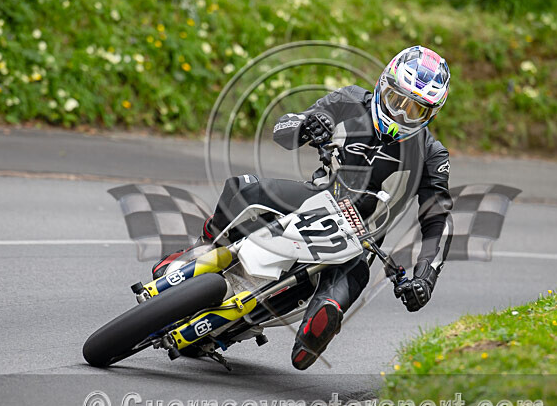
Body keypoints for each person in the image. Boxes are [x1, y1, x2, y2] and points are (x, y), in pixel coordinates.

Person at [153, 45, 454, 370]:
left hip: (359, 242)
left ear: (430, 116)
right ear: (383, 84)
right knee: (241, 187)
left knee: (335, 298)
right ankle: (203, 248)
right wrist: (308, 125)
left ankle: (315, 329)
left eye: (416, 111)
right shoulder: (350, 100)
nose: (402, 115)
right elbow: (283, 130)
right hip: (313, 198)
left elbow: (438, 220)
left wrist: (425, 278)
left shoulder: (432, 155)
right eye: (398, 101)